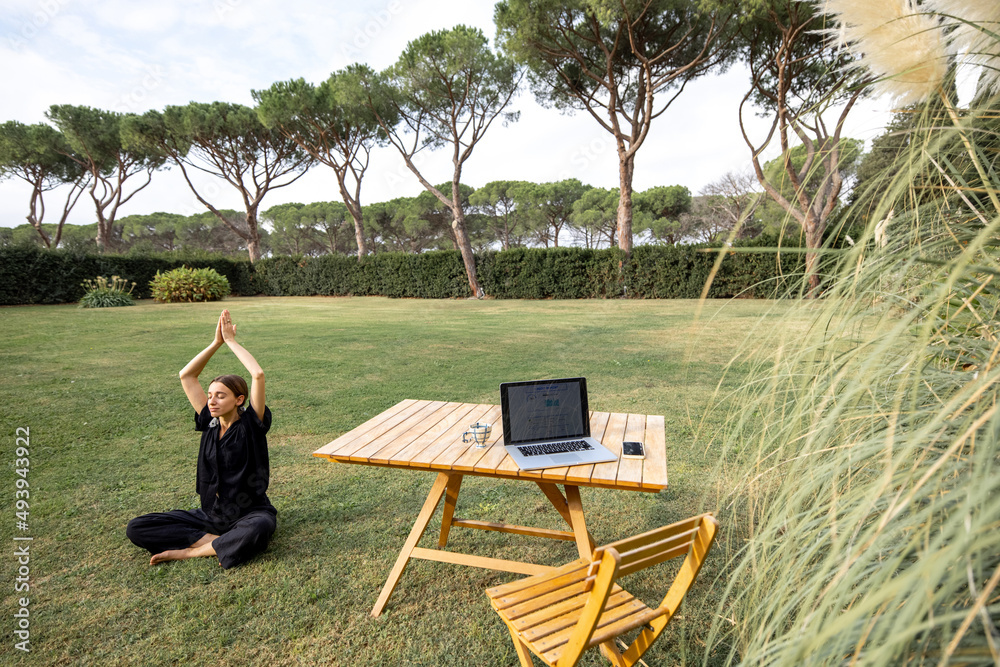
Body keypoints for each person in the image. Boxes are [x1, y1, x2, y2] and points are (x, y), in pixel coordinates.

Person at [126, 309, 277, 569]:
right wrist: (215, 343)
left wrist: (231, 342)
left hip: (250, 512)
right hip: (212, 515)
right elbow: (187, 376)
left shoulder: (252, 424)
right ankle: (218, 542)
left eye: (220, 395)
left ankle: (191, 551)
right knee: (138, 527)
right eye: (209, 395)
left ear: (239, 400)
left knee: (261, 527)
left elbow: (258, 375)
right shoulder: (209, 421)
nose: (212, 400)